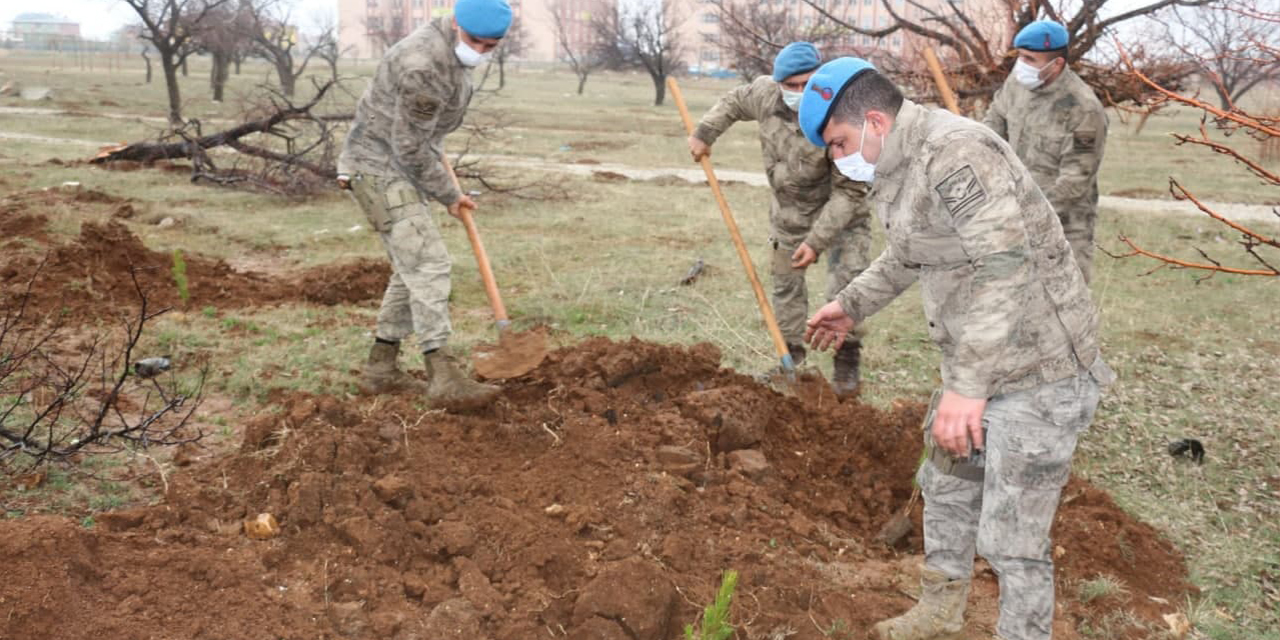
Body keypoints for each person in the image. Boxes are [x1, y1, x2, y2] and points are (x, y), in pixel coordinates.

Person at [798, 57, 1114, 640]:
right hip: (978, 360)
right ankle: (939, 610)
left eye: (839, 142)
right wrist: (851, 303)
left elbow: (1004, 263)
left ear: (874, 120)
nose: (837, 156)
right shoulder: (899, 161)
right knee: (945, 488)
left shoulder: (958, 153)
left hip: (1037, 368)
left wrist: (966, 390)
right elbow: (910, 251)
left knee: (1011, 539)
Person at [337, 0, 512, 406]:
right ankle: (443, 377)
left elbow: (422, 137)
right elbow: (409, 145)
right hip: (378, 167)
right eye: (475, 42)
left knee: (410, 267)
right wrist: (449, 196)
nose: (480, 52)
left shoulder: (450, 53)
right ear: (455, 23)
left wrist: (435, 162)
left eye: (491, 47)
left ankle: (380, 370)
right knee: (430, 263)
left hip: (401, 163)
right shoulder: (424, 65)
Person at [686, 42, 873, 396]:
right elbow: (733, 101)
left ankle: (847, 360)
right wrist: (704, 133)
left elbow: (850, 192)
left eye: (808, 84)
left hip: (843, 214)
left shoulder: (841, 114)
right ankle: (791, 356)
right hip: (790, 214)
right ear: (778, 83)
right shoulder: (763, 95)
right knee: (786, 286)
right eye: (792, 86)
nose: (801, 93)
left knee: (846, 288)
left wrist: (816, 243)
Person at [983, 20, 1107, 283]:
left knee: (1063, 312)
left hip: (1063, 228)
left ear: (1057, 64)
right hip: (1013, 218)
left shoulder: (1083, 109)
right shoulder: (1017, 85)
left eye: (1030, 59)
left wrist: (1030, 216)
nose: (1021, 65)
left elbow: (1075, 181)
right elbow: (994, 123)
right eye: (1021, 57)